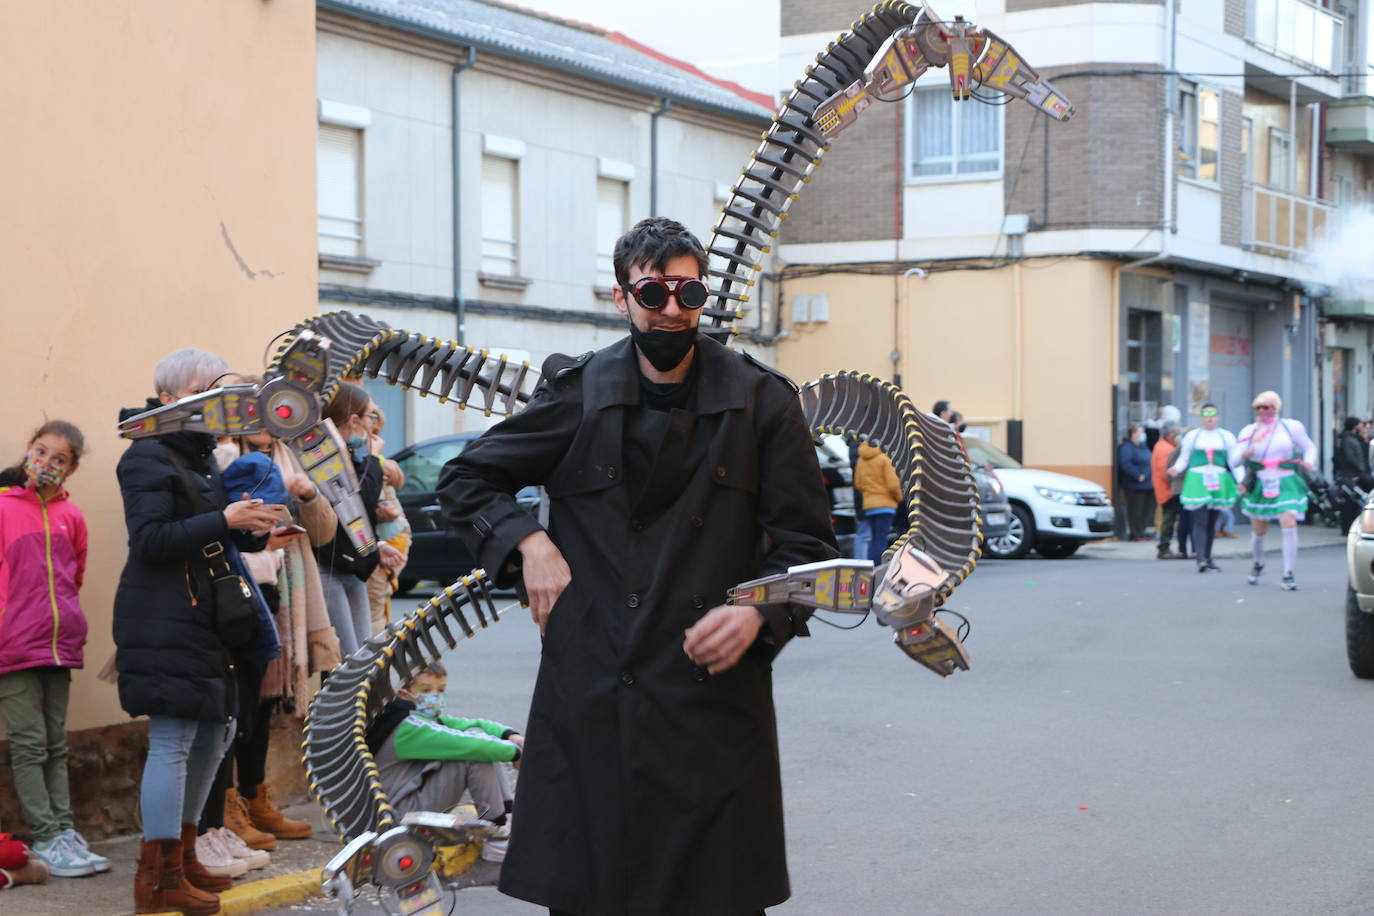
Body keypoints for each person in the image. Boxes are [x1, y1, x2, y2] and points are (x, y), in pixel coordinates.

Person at [438, 217, 838, 915]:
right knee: (596, 896)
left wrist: (760, 610)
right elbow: (466, 479)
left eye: (688, 292)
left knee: (712, 899)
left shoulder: (761, 401)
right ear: (622, 299)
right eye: (653, 293)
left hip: (710, 706)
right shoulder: (577, 392)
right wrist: (529, 543)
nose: (673, 310)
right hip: (594, 695)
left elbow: (808, 548)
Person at [114, 348, 283, 916]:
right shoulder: (146, 456)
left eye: (222, 390)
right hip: (164, 613)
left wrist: (251, 526)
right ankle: (154, 880)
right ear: (167, 398)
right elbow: (153, 540)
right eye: (207, 389)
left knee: (215, 733)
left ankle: (182, 860)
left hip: (204, 613)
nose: (221, 400)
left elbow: (209, 536)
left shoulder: (200, 455)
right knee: (174, 740)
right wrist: (226, 519)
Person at [0, 421, 109, 878]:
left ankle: (64, 831)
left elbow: (74, 577)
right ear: (29, 449)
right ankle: (44, 836)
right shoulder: (4, 508)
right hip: (13, 644)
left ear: (72, 468)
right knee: (29, 746)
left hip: (58, 645)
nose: (46, 463)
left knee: (55, 743)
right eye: (41, 452)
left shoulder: (73, 517)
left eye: (58, 459)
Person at [368, 662, 521, 862]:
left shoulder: (414, 717)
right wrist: (516, 754)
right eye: (426, 690)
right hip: (399, 814)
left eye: (440, 690)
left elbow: (473, 725)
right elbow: (469, 744)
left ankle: (505, 816)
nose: (435, 697)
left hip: (407, 800)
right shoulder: (408, 728)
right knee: (474, 753)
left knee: (477, 736)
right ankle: (496, 835)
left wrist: (511, 736)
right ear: (403, 693)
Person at [314, 383, 385, 657]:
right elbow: (358, 502)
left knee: (364, 655)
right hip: (328, 563)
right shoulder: (324, 453)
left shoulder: (347, 452)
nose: (373, 424)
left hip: (351, 564)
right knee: (349, 657)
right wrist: (374, 459)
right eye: (370, 416)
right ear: (354, 420)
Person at [1232, 390, 1317, 590]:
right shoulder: (1249, 431)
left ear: (1276, 408)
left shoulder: (1291, 427)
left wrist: (1309, 462)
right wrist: (1245, 453)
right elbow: (1234, 460)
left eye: (1267, 407)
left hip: (1285, 480)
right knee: (1259, 530)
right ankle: (1258, 562)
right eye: (1259, 407)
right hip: (1261, 482)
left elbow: (1309, 447)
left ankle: (1288, 573)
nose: (1263, 411)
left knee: (1288, 520)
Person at [1169, 404, 1239, 573]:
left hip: (1218, 479)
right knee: (1199, 519)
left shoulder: (1226, 437)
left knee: (1212, 521)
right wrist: (1176, 469)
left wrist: (1241, 481)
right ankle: (1200, 557)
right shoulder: (1192, 437)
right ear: (1201, 417)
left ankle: (1207, 557)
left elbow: (1235, 462)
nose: (1210, 418)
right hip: (1198, 480)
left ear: (1218, 417)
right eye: (1206, 414)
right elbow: (1184, 458)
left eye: (1213, 414)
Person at [364, 404, 411, 634]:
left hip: (383, 557)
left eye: (376, 432)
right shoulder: (370, 466)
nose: (373, 437)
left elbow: (400, 527)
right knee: (372, 625)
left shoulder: (378, 466)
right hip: (374, 557)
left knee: (377, 620)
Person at [855, 443, 902, 564]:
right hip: (885, 505)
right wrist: (898, 498)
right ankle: (878, 567)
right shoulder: (884, 458)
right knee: (881, 539)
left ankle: (871, 565)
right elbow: (893, 485)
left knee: (873, 538)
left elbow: (858, 484)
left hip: (869, 505)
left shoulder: (861, 460)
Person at [1151, 421, 1184, 559]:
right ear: (1170, 434)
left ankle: (1164, 548)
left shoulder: (1163, 446)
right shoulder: (1165, 449)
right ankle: (1163, 548)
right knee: (1168, 520)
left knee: (1168, 519)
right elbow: (1166, 472)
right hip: (1168, 490)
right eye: (1177, 432)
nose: (1179, 435)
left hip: (1166, 489)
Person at [1333, 416, 1370, 531]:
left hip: (1354, 474)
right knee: (1349, 502)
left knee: (1354, 502)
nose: (1361, 426)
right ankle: (1347, 527)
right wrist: (1360, 470)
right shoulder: (1347, 439)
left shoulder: (1353, 438)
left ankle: (1350, 526)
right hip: (1350, 475)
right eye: (1359, 424)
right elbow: (1350, 458)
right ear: (1354, 426)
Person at [1117, 424, 1154, 541]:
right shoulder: (1127, 448)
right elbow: (1125, 464)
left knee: (1145, 511)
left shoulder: (1143, 447)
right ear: (1133, 434)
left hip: (1147, 484)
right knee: (1135, 511)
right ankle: (1136, 534)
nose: (1143, 435)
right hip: (1134, 485)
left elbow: (1149, 461)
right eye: (1140, 432)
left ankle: (1141, 532)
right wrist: (1138, 475)